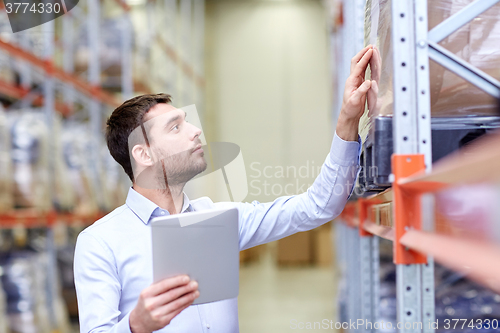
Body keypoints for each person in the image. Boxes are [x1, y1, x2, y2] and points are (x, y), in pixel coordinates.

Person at [74, 46, 374, 333]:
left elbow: (318, 206)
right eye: (175, 127)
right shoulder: (100, 243)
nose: (196, 131)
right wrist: (135, 325)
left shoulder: (219, 220)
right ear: (144, 154)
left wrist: (348, 120)